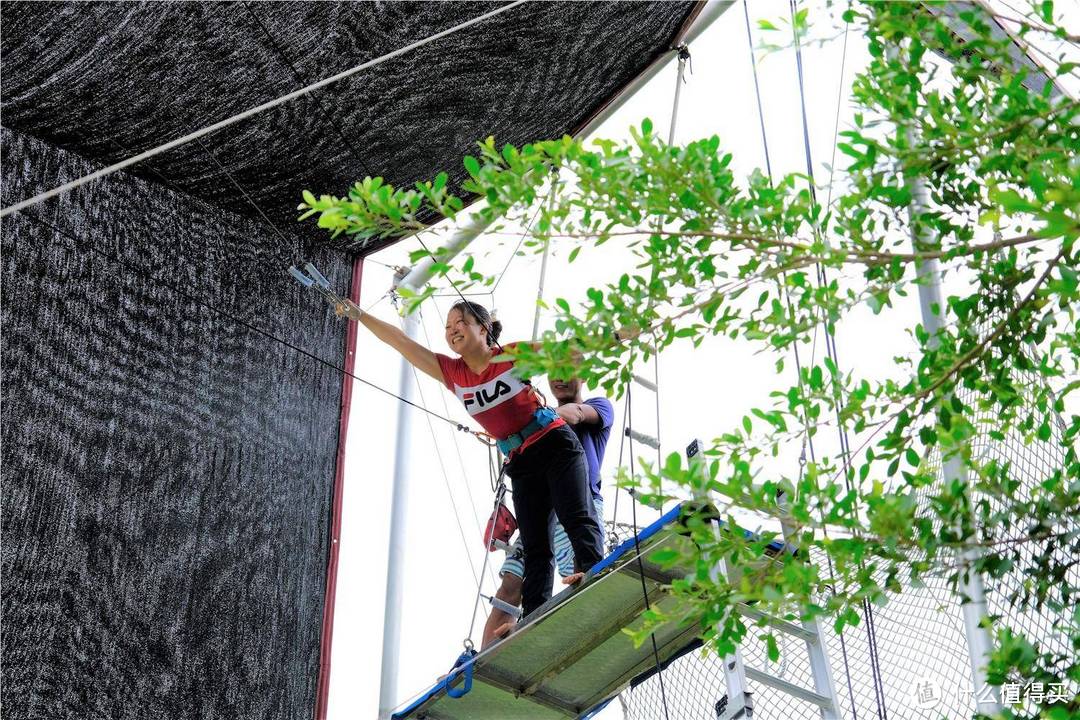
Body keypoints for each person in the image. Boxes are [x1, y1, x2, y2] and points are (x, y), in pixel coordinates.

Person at [334, 298, 605, 621]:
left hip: (554, 444)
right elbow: (400, 342)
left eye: (459, 322)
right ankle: (534, 612)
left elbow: (565, 350)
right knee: (535, 546)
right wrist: (360, 315)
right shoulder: (452, 373)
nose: (451, 331)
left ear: (483, 328)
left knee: (574, 515)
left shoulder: (511, 354)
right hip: (521, 462)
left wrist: (613, 338)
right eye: (447, 327)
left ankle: (592, 570)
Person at [481, 377, 613, 648]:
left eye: (566, 370)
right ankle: (482, 656)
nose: (560, 379)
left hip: (578, 498)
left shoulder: (597, 406)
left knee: (579, 560)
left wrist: (538, 418)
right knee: (513, 580)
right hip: (542, 504)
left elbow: (575, 414)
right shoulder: (538, 421)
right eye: (554, 374)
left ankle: (585, 626)